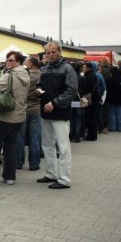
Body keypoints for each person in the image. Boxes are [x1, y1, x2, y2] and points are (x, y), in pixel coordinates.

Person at [36, 42, 77, 189]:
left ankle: (64, 179)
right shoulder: (44, 69)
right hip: (46, 112)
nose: (51, 54)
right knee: (47, 145)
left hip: (60, 113)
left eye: (53, 52)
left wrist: (54, 103)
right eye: (48, 52)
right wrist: (38, 91)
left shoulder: (67, 68)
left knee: (63, 147)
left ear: (59, 52)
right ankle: (51, 174)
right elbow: (39, 86)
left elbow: (72, 90)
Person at [0, 50, 29, 185]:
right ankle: (9, 177)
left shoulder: (9, 76)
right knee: (11, 146)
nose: (8, 62)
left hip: (5, 116)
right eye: (7, 60)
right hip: (19, 116)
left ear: (19, 62)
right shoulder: (25, 75)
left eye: (11, 60)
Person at [17, 55, 42, 170]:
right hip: (36, 109)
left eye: (26, 62)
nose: (24, 64)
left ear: (31, 64)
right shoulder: (43, 75)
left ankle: (19, 162)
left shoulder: (24, 75)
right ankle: (34, 164)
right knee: (34, 138)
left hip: (24, 108)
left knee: (20, 137)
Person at [82, 62, 101, 140]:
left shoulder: (90, 76)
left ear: (89, 68)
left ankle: (92, 136)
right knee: (91, 116)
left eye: (84, 67)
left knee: (91, 117)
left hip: (91, 99)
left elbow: (90, 87)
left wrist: (83, 91)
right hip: (94, 98)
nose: (83, 68)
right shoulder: (91, 75)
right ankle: (91, 135)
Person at [105, 66, 121, 131]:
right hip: (120, 98)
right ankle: (119, 127)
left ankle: (112, 127)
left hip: (111, 98)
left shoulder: (110, 80)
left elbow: (107, 89)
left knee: (111, 113)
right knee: (119, 113)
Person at [69, 62, 85, 142]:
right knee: (78, 119)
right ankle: (77, 136)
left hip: (71, 100)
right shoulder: (82, 78)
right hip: (79, 100)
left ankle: (70, 136)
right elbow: (84, 89)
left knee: (71, 119)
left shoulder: (69, 77)